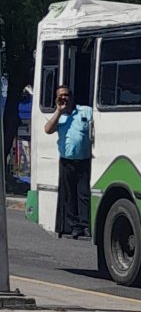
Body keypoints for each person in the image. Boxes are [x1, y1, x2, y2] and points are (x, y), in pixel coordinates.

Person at [44, 85, 93, 239]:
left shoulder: (86, 111)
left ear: (71, 97)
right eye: (60, 96)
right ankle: (73, 226)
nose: (64, 98)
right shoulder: (59, 115)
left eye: (66, 95)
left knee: (83, 194)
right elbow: (47, 129)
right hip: (67, 161)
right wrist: (59, 110)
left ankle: (85, 225)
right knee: (69, 195)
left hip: (84, 160)